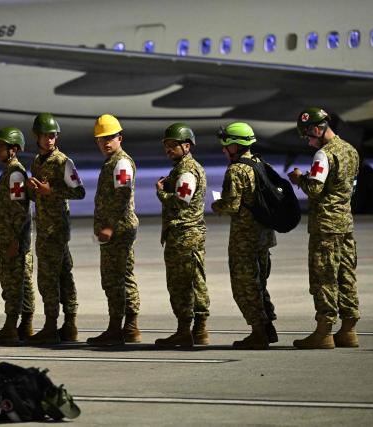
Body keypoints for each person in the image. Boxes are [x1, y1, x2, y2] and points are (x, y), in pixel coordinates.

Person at [288, 107, 360, 349]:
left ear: (318, 130)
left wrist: (299, 179)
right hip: (345, 224)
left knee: (324, 278)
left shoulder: (323, 155)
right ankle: (349, 331)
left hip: (326, 227)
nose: (308, 142)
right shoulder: (350, 150)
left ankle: (324, 331)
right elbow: (349, 186)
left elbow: (315, 189)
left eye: (309, 136)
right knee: (346, 276)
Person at [211, 122, 277, 350]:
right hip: (264, 236)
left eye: (225, 145)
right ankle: (268, 327)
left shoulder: (237, 170)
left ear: (235, 145)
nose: (223, 150)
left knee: (244, 286)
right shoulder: (260, 163)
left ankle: (258, 332)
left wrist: (216, 205)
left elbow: (232, 205)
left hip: (244, 239)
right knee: (260, 283)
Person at [26, 113, 85, 344]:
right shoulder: (36, 162)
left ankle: (55, 326)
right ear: (37, 137)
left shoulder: (63, 162)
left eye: (53, 136)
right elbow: (39, 195)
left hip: (56, 230)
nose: (50, 140)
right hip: (44, 227)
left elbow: (79, 192)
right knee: (61, 276)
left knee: (50, 278)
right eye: (46, 136)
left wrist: (53, 191)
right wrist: (33, 189)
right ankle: (67, 327)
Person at [154, 124, 210, 348]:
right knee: (195, 281)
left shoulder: (186, 170)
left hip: (183, 234)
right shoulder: (187, 168)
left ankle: (185, 330)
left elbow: (181, 200)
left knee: (181, 284)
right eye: (166, 145)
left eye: (173, 145)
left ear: (186, 146)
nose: (168, 149)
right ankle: (198, 329)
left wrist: (161, 192)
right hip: (189, 233)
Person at [87, 114, 141, 346]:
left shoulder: (121, 162)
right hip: (116, 228)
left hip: (118, 230)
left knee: (116, 278)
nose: (106, 142)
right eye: (101, 139)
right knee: (118, 277)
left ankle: (122, 327)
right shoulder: (113, 162)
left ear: (120, 137)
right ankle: (127, 327)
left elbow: (123, 194)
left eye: (110, 138)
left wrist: (109, 226)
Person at [0, 127, 36, 344]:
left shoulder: (15, 174)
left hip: (13, 241)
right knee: (21, 283)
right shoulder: (11, 171)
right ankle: (25, 326)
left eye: (1, 146)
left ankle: (11, 328)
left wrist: (14, 240)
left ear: (13, 150)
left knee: (13, 284)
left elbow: (19, 210)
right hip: (12, 239)